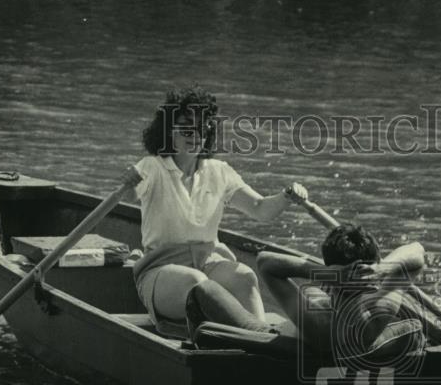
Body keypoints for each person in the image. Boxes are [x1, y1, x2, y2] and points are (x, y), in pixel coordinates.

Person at [119, 86, 308, 336]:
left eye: (201, 128)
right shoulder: (152, 167)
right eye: (186, 128)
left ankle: (262, 342)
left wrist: (286, 196)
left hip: (208, 262)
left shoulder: (219, 171)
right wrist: (128, 181)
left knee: (245, 276)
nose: (194, 135)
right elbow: (129, 194)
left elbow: (260, 209)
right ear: (168, 131)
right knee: (197, 284)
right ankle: (243, 334)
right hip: (160, 270)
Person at [256, 223, 440, 362]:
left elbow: (264, 262)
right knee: (314, 292)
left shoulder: (319, 325)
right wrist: (382, 269)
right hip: (364, 335)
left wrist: (326, 273)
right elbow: (417, 251)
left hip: (294, 334)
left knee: (251, 287)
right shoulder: (385, 303)